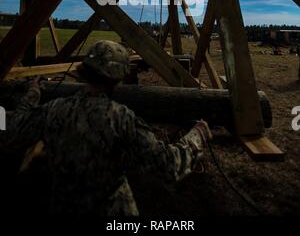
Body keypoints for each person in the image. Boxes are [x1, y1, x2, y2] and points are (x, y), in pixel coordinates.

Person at [2, 40, 212, 216]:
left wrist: (33, 94)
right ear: (117, 78)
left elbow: (13, 132)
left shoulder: (53, 110)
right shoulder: (120, 118)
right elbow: (168, 166)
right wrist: (197, 136)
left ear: (83, 72)